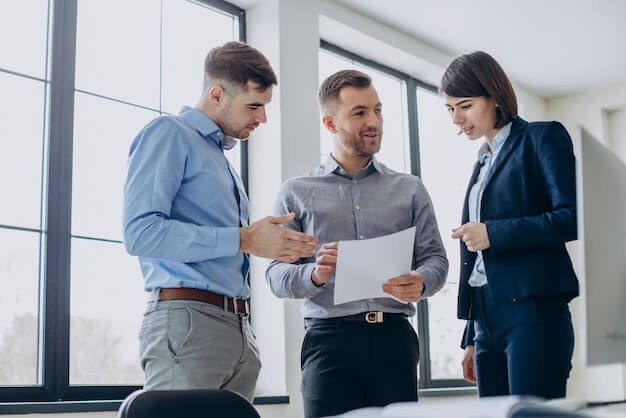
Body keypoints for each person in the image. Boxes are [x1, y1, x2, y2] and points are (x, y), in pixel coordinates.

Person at [122, 41, 318, 400]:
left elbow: (233, 240)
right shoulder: (170, 134)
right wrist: (244, 239)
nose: (262, 118)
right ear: (217, 94)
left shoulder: (219, 158)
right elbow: (141, 233)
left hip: (238, 328)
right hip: (188, 323)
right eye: (254, 106)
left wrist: (265, 243)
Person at [265, 69, 448, 418]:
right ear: (330, 123)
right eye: (360, 112)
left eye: (377, 110)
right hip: (329, 342)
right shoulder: (295, 192)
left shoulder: (409, 189)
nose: (374, 121)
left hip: (395, 339)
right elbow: (275, 276)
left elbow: (436, 259)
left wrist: (422, 281)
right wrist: (314, 275)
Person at [441, 51, 579, 399]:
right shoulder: (481, 162)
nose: (456, 119)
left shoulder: (541, 138)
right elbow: (482, 266)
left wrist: (492, 233)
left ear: (495, 96)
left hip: (533, 310)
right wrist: (472, 336)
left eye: (465, 105)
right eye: (450, 109)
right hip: (486, 317)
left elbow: (572, 217)